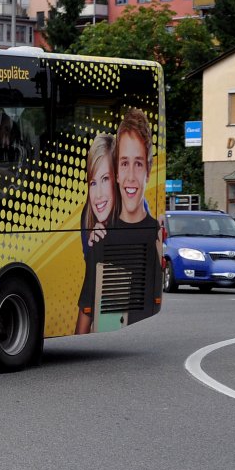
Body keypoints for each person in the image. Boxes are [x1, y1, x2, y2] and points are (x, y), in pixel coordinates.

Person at [76, 109, 161, 334]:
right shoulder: (94, 231)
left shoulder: (151, 232)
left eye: (139, 164)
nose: (99, 194)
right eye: (124, 164)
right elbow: (86, 319)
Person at [75, 133, 117, 334]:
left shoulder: (131, 215)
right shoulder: (88, 217)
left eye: (105, 179)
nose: (98, 194)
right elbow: (87, 303)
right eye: (93, 182)